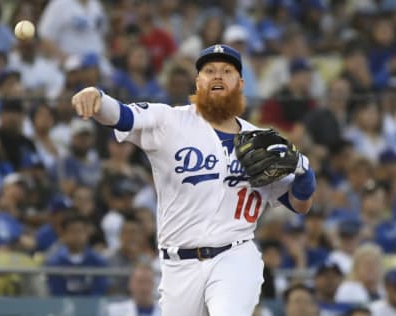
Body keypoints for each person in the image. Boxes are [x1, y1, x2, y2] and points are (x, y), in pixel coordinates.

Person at [71, 44, 316, 316]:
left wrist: (305, 172)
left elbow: (299, 204)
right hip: (179, 264)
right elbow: (121, 115)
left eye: (227, 71)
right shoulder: (169, 121)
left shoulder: (261, 142)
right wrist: (96, 97)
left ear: (241, 83)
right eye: (209, 71)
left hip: (234, 255)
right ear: (199, 82)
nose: (218, 76)